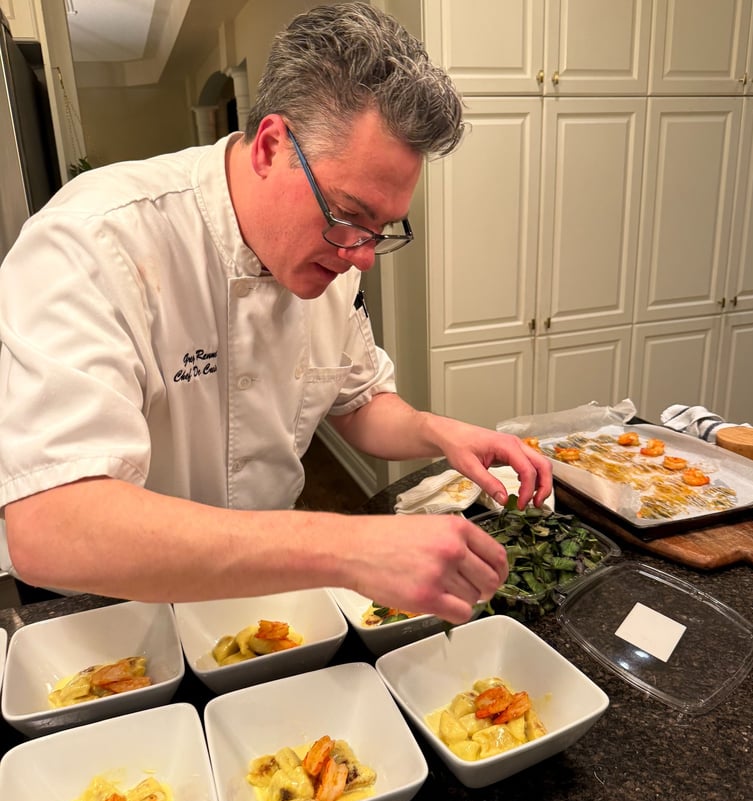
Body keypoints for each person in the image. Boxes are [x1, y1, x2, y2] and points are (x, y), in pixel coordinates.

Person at [0, 3, 550, 624]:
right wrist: (349, 547)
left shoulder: (332, 256)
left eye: (382, 229)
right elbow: (51, 526)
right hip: (112, 610)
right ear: (270, 146)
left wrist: (437, 433)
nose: (364, 256)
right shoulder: (94, 239)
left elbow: (358, 401)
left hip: (265, 590)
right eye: (349, 215)